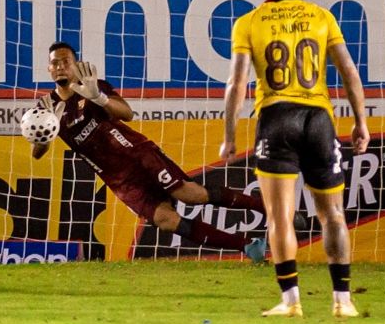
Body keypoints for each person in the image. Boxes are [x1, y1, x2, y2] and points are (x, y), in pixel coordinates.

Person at [220, 0, 370, 318]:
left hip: (276, 118)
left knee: (279, 218)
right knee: (333, 214)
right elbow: (349, 71)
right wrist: (360, 121)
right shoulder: (321, 16)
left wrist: (230, 135)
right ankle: (343, 301)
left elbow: (237, 83)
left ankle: (291, 301)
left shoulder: (248, 23)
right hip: (318, 119)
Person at [31, 42, 269, 263]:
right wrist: (46, 132)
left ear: (75, 64)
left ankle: (266, 208)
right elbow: (37, 152)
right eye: (55, 63)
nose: (60, 67)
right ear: (49, 69)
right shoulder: (45, 107)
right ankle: (249, 246)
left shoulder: (92, 86)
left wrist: (98, 98)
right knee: (166, 220)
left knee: (191, 194)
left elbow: (127, 113)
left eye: (66, 61)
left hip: (137, 155)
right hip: (119, 180)